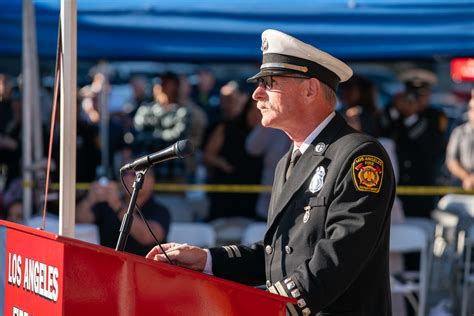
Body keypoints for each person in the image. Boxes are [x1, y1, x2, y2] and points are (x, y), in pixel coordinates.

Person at [147, 29, 396, 315]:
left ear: (310, 89)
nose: (256, 93)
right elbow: (278, 254)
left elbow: (338, 259)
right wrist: (207, 260)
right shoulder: (288, 161)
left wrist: (262, 307)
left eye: (269, 82)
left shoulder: (359, 156)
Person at [76, 169, 170, 256]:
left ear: (151, 180)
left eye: (135, 174)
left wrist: (118, 206)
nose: (127, 178)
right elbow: (78, 220)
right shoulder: (108, 204)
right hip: (109, 269)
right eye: (124, 173)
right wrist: (89, 200)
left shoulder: (160, 211)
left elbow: (148, 237)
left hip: (145, 271)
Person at [446, 93, 474, 190]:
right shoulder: (459, 132)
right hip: (460, 187)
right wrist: (467, 177)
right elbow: (451, 160)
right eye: (472, 109)